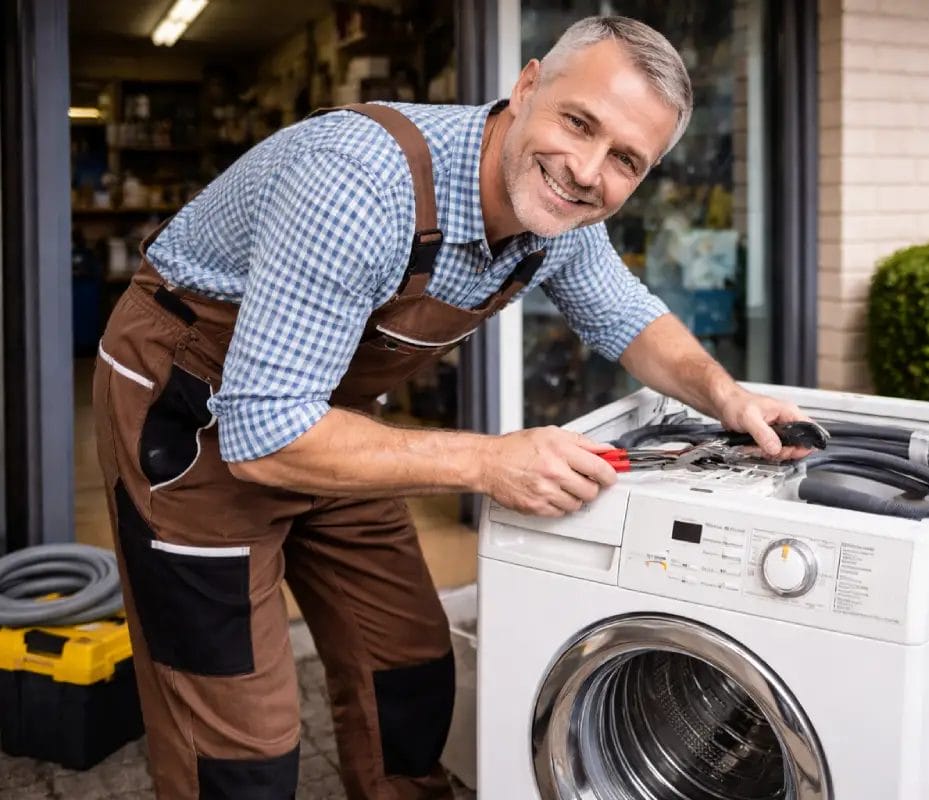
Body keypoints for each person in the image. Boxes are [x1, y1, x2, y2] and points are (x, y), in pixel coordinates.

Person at [93, 15, 812, 799]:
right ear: (528, 85)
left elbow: (626, 315)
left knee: (408, 662)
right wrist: (488, 461)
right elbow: (265, 434)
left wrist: (727, 395)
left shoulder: (557, 219)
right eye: (578, 122)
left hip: (329, 416)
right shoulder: (360, 183)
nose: (585, 170)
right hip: (194, 411)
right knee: (239, 746)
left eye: (625, 161)